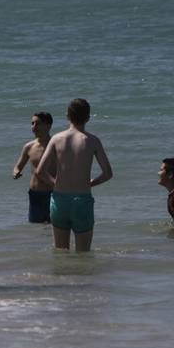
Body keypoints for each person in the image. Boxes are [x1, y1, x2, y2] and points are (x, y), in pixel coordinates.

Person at [35, 98, 113, 251]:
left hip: (59, 200)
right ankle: (82, 275)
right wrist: (90, 183)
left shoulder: (57, 139)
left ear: (67, 116)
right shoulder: (93, 141)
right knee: (83, 253)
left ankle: (62, 275)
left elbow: (40, 171)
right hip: (82, 200)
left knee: (61, 251)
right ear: (88, 118)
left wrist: (55, 183)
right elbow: (107, 174)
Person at [11, 111, 54, 223]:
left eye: (38, 123)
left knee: (53, 227)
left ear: (48, 125)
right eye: (32, 123)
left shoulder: (56, 145)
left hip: (53, 194)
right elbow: (18, 166)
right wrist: (16, 172)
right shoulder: (29, 146)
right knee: (36, 227)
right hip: (35, 194)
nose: (34, 127)